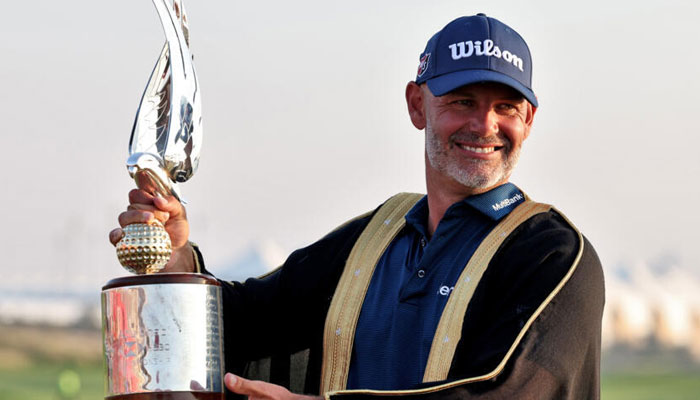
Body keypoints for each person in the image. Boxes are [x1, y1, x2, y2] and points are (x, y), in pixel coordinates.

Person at [110, 14, 604, 400]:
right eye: (463, 101)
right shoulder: (377, 236)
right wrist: (176, 264)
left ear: (530, 119)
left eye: (506, 107)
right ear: (417, 105)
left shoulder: (554, 255)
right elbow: (252, 323)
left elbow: (506, 394)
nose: (485, 125)